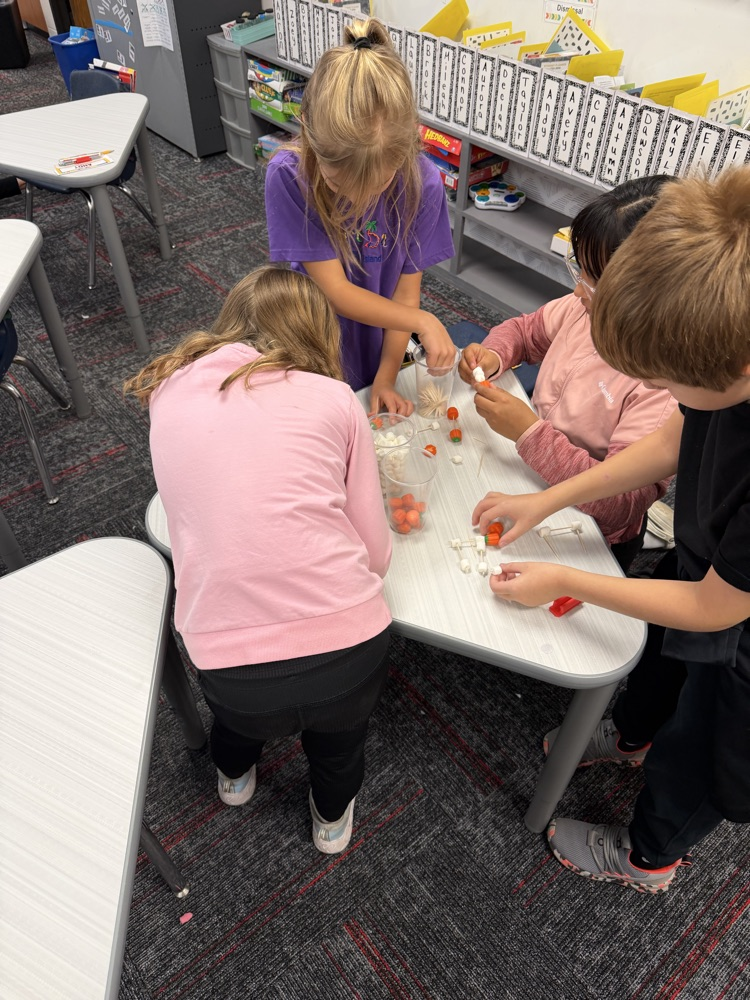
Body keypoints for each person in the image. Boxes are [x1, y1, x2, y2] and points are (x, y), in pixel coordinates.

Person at [473, 167, 750, 893]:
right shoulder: (723, 358)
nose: (665, 392)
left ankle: (649, 857)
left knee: (702, 748)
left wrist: (565, 577)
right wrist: (547, 499)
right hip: (704, 558)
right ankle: (630, 734)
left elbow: (720, 611)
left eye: (665, 376)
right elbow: (672, 444)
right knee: (658, 657)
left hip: (741, 623)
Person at [124, 265, 392, 854]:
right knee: (341, 742)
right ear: (318, 336)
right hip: (348, 650)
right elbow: (374, 556)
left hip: (228, 662)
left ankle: (235, 778)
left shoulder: (166, 391)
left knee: (237, 724)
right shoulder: (335, 400)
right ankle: (329, 820)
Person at [459, 177, 678, 571]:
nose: (579, 291)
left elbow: (618, 504)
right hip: (531, 475)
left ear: (648, 293)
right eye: (579, 269)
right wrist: (493, 355)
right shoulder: (582, 310)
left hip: (589, 531)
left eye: (594, 279)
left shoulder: (664, 386)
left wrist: (529, 433)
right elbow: (525, 331)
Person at [265, 17, 456, 414]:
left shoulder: (423, 184)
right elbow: (334, 292)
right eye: (338, 184)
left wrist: (386, 377)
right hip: (313, 336)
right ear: (310, 135)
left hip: (379, 339)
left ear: (405, 150)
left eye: (380, 184)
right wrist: (422, 320)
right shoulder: (289, 174)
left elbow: (406, 293)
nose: (359, 199)